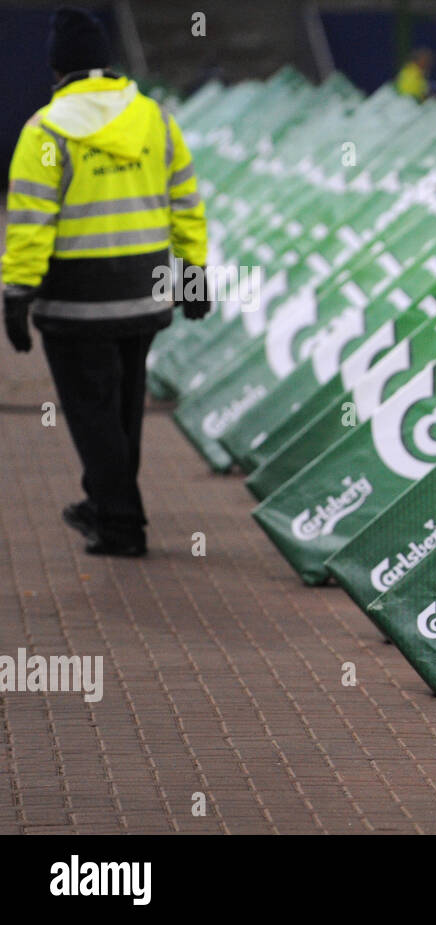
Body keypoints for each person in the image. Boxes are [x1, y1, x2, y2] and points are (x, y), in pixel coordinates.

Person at [2, 6, 210, 557]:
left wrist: (17, 293)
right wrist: (192, 272)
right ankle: (104, 503)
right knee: (122, 408)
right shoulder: (155, 119)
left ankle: (120, 522)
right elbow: (185, 199)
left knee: (93, 414)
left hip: (75, 301)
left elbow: (30, 220)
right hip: (144, 293)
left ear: (57, 70)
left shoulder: (45, 131)